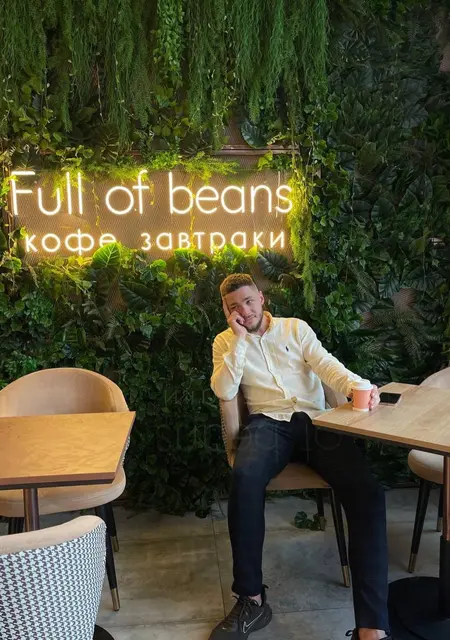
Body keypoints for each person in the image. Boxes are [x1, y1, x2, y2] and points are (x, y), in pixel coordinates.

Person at [208, 273, 391, 640]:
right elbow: (224, 389)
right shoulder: (225, 341)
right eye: (234, 307)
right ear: (227, 312)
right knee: (244, 479)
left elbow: (326, 365)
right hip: (266, 424)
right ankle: (251, 599)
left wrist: (360, 387)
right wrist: (240, 341)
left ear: (262, 298)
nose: (244, 310)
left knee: (367, 492)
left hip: (315, 421)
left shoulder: (295, 328)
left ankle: (372, 626)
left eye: (249, 301)